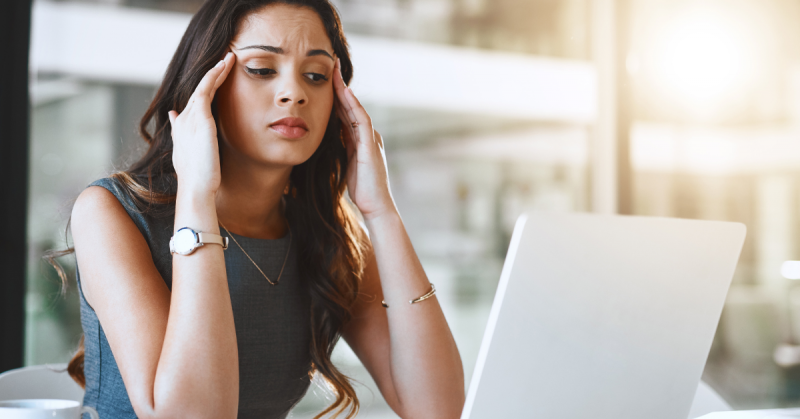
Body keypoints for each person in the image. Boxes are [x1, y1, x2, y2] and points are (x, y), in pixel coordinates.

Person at [56, 0, 466, 418]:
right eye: (262, 70)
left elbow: (437, 408)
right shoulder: (112, 212)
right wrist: (197, 196)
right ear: (205, 85)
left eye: (316, 75)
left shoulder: (328, 235)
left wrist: (382, 212)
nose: (294, 93)